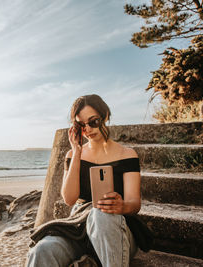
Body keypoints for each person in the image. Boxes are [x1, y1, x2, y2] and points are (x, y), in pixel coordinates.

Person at [26, 94, 141, 267]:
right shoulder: (73, 155)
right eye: (81, 125)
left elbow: (135, 202)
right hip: (79, 227)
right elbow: (69, 199)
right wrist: (77, 152)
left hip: (115, 229)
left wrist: (121, 206)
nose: (87, 129)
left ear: (106, 116)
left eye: (93, 121)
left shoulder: (127, 154)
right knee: (41, 250)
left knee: (100, 212)